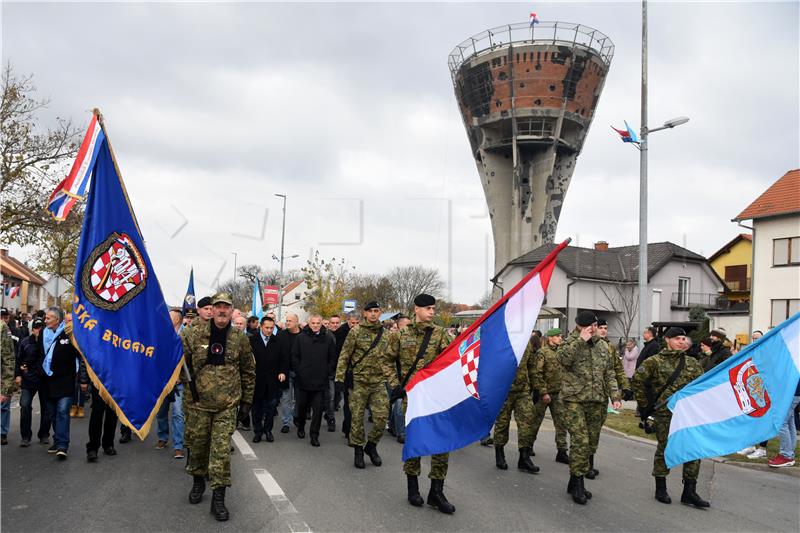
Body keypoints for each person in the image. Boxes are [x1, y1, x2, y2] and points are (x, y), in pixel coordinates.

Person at [182, 293, 255, 521]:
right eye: (218, 307)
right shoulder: (193, 334)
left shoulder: (240, 338)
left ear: (232, 311)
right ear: (211, 310)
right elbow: (177, 364)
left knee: (221, 452)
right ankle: (197, 482)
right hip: (198, 405)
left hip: (227, 405)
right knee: (198, 448)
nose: (222, 310)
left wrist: (246, 402)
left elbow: (248, 371)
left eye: (226, 307)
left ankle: (218, 499)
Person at [383, 294, 455, 514]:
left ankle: (436, 492)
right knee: (415, 441)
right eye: (428, 308)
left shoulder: (441, 334)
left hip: (437, 398)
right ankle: (412, 488)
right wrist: (397, 386)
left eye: (434, 308)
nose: (432, 312)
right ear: (417, 309)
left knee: (442, 444)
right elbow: (386, 360)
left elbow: (454, 359)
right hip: (413, 398)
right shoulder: (401, 335)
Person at [632, 327, 709, 508]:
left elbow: (702, 385)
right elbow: (637, 380)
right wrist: (645, 406)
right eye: (677, 339)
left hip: (688, 415)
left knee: (693, 449)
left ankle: (689, 491)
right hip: (665, 414)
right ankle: (661, 487)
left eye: (684, 339)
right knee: (665, 449)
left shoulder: (692, 363)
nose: (682, 342)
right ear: (667, 340)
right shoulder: (655, 362)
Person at [557, 311, 621, 505]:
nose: (593, 329)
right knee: (580, 441)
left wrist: (615, 396)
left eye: (595, 326)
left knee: (591, 442)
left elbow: (609, 372)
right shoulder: (569, 343)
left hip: (597, 400)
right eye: (590, 326)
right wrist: (580, 341)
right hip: (574, 399)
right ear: (579, 326)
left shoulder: (603, 346)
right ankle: (578, 483)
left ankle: (573, 480)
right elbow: (563, 361)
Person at [335, 301, 389, 469]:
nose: (373, 314)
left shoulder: (387, 334)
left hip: (379, 382)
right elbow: (345, 355)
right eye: (370, 311)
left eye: (376, 311)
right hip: (358, 383)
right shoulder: (355, 332)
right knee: (356, 420)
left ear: (380, 313)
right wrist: (339, 379)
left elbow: (391, 358)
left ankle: (371, 446)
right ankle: (358, 451)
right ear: (365, 313)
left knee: (381, 419)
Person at [41, 307, 88, 459]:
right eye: (45, 318)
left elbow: (81, 357)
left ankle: (63, 445)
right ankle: (57, 440)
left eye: (48, 318)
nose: (45, 320)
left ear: (57, 320)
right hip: (48, 380)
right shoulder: (44, 333)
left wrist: (82, 379)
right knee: (53, 413)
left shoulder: (69, 334)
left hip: (65, 381)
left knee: (62, 412)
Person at [492, 330, 538, 474]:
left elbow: (532, 367)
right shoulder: (501, 342)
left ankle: (524, 458)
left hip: (523, 390)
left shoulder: (527, 344)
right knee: (502, 424)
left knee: (527, 422)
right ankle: (499, 454)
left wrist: (537, 388)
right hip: (503, 390)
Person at [291, 315, 337, 447]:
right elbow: (294, 356)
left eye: (318, 323)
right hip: (304, 380)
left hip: (320, 381)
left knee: (317, 410)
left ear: (321, 323)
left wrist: (327, 371)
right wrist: (300, 370)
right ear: (309, 323)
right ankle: (301, 427)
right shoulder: (300, 338)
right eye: (313, 323)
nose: (315, 325)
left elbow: (332, 358)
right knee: (302, 407)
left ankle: (314, 435)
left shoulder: (328, 338)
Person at [531, 328, 569, 464]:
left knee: (561, 423)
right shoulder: (543, 353)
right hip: (544, 394)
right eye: (558, 336)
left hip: (558, 394)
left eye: (561, 336)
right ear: (550, 338)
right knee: (535, 421)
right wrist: (543, 392)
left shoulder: (562, 353)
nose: (560, 338)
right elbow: (537, 374)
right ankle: (528, 446)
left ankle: (562, 451)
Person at [249, 316, 287, 443]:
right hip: (256, 380)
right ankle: (258, 431)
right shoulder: (252, 340)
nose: (269, 330)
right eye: (267, 328)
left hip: (272, 381)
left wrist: (282, 371)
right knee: (257, 409)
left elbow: (283, 359)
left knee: (271, 408)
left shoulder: (278, 341)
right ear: (261, 326)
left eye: (272, 328)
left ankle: (268, 431)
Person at [15, 318, 51, 446]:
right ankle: (25, 436)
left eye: (41, 327)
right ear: (32, 329)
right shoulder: (24, 342)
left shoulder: (48, 342)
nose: (39, 330)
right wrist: (18, 375)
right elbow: (18, 359)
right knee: (24, 406)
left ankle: (44, 434)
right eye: (36, 328)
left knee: (47, 409)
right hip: (28, 380)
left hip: (44, 380)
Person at [155, 309, 186, 458]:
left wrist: (180, 375)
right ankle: (162, 437)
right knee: (161, 412)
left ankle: (178, 445)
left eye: (170, 316)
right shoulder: (160, 335)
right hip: (163, 382)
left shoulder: (186, 335)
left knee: (178, 413)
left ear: (177, 320)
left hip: (179, 383)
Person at [768, 376, 800, 468]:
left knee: (782, 422)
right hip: (793, 391)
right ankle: (789, 453)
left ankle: (786, 456)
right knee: (790, 423)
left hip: (792, 391)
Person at [277, 314, 301, 434]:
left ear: (297, 322)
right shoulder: (281, 335)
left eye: (290, 321)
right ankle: (286, 422)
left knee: (299, 398)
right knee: (286, 398)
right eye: (286, 320)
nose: (287, 323)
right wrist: (280, 370)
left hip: (300, 372)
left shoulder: (303, 335)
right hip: (286, 371)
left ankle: (296, 416)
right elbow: (278, 355)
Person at [1, 316, 17, 446]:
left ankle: (2, 432)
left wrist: (7, 387)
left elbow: (8, 358)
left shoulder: (2, 328)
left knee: (3, 406)